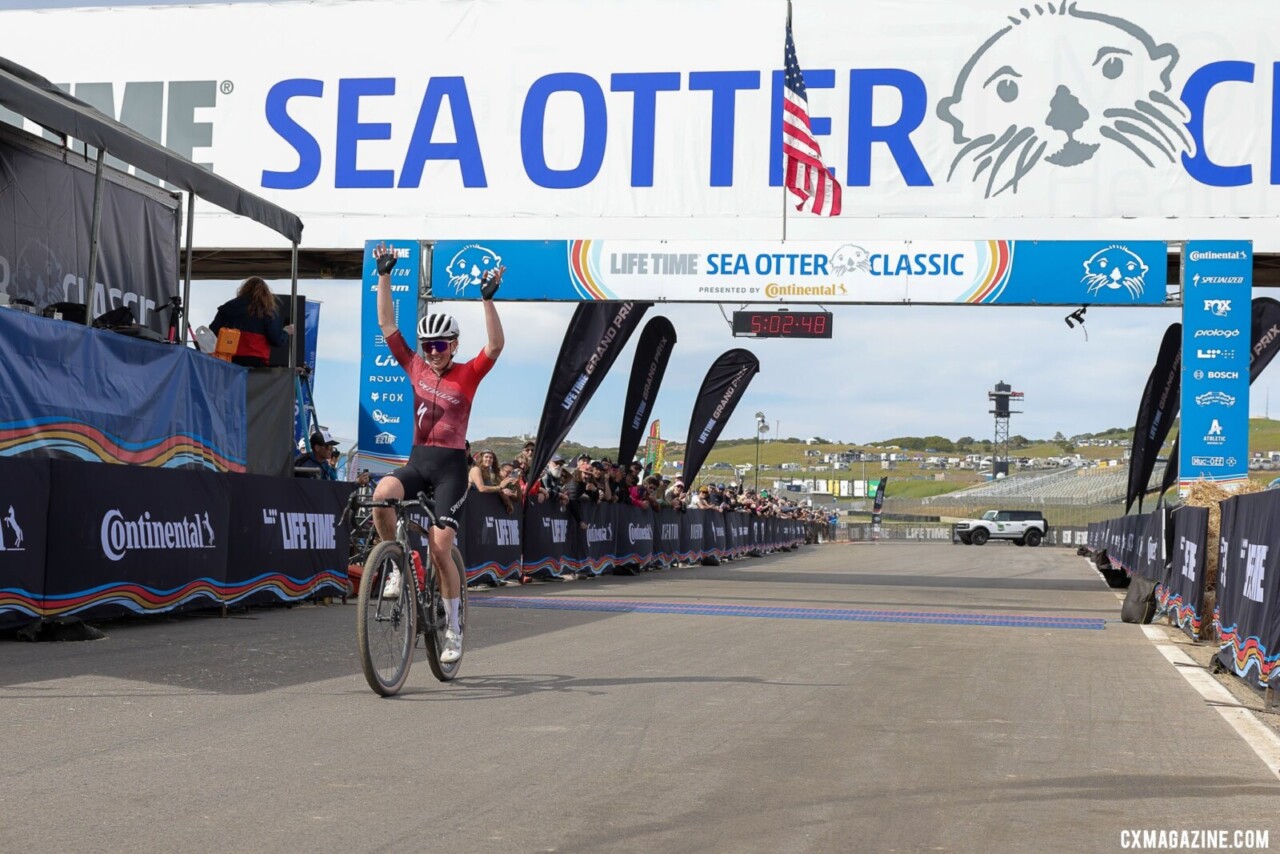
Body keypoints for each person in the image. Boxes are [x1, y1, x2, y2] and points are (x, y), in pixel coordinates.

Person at [369, 242, 503, 664]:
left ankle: (454, 628)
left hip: (450, 470)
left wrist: (487, 300)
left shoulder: (468, 374)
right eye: (427, 344)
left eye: (440, 345)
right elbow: (387, 324)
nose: (431, 351)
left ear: (454, 345)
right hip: (417, 461)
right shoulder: (415, 367)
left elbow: (495, 346)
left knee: (440, 548)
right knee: (381, 497)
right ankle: (395, 563)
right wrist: (384, 275)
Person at [209, 276, 293, 368]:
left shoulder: (229, 306)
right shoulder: (267, 311)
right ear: (265, 293)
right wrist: (286, 332)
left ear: (244, 289)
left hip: (230, 358)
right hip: (256, 360)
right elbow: (276, 340)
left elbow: (212, 331)